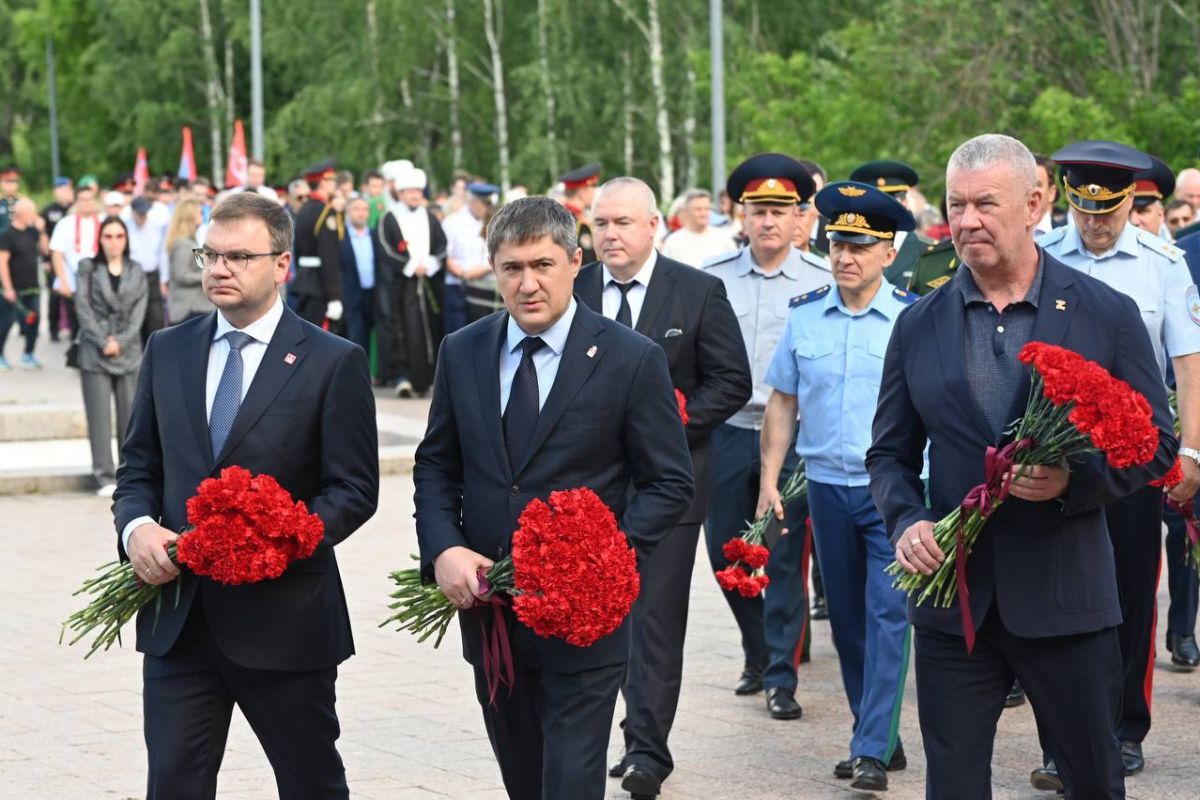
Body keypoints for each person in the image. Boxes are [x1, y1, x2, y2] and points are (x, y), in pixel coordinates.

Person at [867, 133, 1176, 799]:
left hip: (1067, 603)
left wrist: (1076, 482)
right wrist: (907, 521)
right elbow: (888, 454)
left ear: (1035, 204)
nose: (967, 221)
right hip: (957, 606)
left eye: (985, 204)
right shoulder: (918, 324)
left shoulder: (1105, 314)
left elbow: (1157, 444)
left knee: (1093, 780)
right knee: (951, 784)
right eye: (956, 205)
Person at [413, 196, 693, 800]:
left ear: (575, 261)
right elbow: (437, 465)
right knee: (524, 780)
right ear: (493, 269)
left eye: (542, 264)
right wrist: (443, 550)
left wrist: (599, 560)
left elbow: (670, 482)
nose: (528, 283)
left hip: (583, 619)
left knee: (569, 782)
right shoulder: (462, 351)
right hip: (491, 612)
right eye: (511, 268)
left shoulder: (630, 358)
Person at [112, 192, 378, 800]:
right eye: (210, 255)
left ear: (282, 263)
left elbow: (354, 489)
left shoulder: (332, 362)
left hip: (284, 620)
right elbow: (138, 471)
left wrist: (273, 539)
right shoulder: (168, 350)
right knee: (174, 784)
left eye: (239, 256)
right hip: (181, 620)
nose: (219, 269)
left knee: (310, 782)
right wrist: (136, 530)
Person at [573, 178, 750, 799]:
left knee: (653, 620)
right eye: (600, 225)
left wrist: (669, 423)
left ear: (655, 226)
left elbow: (731, 381)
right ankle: (597, 740)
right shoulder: (576, 290)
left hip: (671, 486)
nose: (610, 235)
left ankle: (647, 748)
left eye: (623, 222)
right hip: (589, 491)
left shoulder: (698, 291)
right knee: (594, 615)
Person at [1035, 140, 1200, 783]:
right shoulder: (1043, 256)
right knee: (1051, 595)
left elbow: (1187, 365)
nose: (1095, 222)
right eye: (1083, 208)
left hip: (1132, 461)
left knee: (1131, 594)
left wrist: (1189, 449)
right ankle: (1060, 739)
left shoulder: (1163, 264)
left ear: (1132, 201)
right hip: (1054, 455)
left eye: (1108, 210)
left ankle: (1124, 728)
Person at [762, 181, 917, 791]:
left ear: (887, 252)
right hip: (825, 487)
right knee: (847, 621)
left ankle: (869, 749)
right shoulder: (805, 315)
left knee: (888, 614)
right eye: (836, 244)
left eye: (859, 246)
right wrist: (770, 478)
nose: (844, 256)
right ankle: (879, 735)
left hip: (892, 492)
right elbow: (782, 400)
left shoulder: (910, 318)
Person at [702, 153, 831, 720]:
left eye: (781, 210)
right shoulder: (711, 278)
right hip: (728, 432)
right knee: (721, 551)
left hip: (796, 438)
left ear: (800, 216)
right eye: (759, 210)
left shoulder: (823, 279)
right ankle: (757, 652)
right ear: (742, 214)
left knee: (781, 560)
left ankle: (782, 674)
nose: (769, 222)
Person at [74, 216, 148, 496]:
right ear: (100, 239)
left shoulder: (136, 270)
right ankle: (103, 475)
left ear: (126, 239)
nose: (114, 242)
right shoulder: (88, 268)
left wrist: (122, 340)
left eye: (119, 236)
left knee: (131, 418)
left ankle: (127, 474)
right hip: (95, 350)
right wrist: (102, 339)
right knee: (99, 416)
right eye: (108, 236)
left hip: (129, 352)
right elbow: (82, 307)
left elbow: (140, 312)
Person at [376, 163, 446, 397]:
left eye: (418, 191)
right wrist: (409, 266)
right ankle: (402, 376)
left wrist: (432, 263)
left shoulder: (430, 217)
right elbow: (385, 249)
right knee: (403, 328)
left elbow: (442, 245)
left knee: (430, 327)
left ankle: (427, 377)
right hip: (401, 284)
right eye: (410, 191)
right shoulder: (389, 217)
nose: (415, 195)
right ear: (402, 193)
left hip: (427, 282)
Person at [849, 160, 931, 287]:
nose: (882, 209)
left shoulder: (928, 252)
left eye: (890, 202)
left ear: (906, 204)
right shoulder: (848, 248)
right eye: (874, 202)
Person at [290, 161, 344, 327]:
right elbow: (329, 256)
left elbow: (297, 249)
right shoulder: (327, 212)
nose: (335, 184)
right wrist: (334, 296)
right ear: (322, 183)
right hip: (321, 286)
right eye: (332, 180)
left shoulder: (304, 209)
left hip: (304, 282)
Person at [49, 183, 103, 341]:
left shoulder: (103, 220)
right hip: (74, 279)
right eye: (83, 199)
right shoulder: (66, 223)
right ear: (76, 201)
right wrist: (63, 282)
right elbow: (57, 254)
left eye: (90, 199)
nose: (87, 203)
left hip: (99, 279)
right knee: (77, 323)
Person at [0, 198, 47, 370]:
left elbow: (45, 250)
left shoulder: (33, 232)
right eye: (33, 212)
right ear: (23, 214)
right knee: (6, 321)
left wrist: (41, 232)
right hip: (14, 288)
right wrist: (7, 288)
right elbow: (2, 263)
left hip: (32, 286)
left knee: (34, 321)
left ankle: (28, 354)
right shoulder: (6, 235)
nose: (35, 216)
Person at [339, 195, 381, 355]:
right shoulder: (340, 236)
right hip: (350, 295)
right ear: (349, 211)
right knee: (354, 336)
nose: (361, 213)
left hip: (372, 295)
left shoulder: (374, 235)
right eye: (356, 209)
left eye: (364, 210)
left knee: (370, 337)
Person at [123, 196, 168, 337]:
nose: (142, 217)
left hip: (152, 275)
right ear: (132, 212)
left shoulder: (155, 227)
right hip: (132, 275)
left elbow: (162, 255)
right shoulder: (125, 228)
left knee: (155, 315)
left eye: (144, 213)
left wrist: (163, 281)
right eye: (139, 214)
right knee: (134, 313)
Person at [660, 189, 738, 267]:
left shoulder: (724, 239)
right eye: (698, 209)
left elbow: (735, 267)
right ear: (687, 211)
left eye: (706, 209)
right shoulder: (673, 241)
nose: (703, 213)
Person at [165, 198, 212, 323]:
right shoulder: (183, 244)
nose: (203, 215)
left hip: (197, 307)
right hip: (189, 309)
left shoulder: (191, 241)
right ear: (190, 216)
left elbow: (200, 266)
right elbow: (181, 275)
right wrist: (207, 274)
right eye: (199, 212)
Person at [41, 177, 75, 341]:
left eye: (68, 188)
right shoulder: (48, 211)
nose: (66, 192)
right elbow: (43, 236)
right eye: (62, 189)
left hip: (71, 260)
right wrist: (45, 259)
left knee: (71, 296)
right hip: (54, 258)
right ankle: (53, 329)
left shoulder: (74, 208)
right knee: (55, 296)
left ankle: (70, 328)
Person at [559, 163, 600, 263]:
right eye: (593, 188)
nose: (595, 193)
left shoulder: (559, 217)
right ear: (582, 192)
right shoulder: (576, 224)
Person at [0, 166, 19, 231]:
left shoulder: (23, 202)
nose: (10, 185)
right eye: (7, 181)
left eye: (14, 181)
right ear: (1, 184)